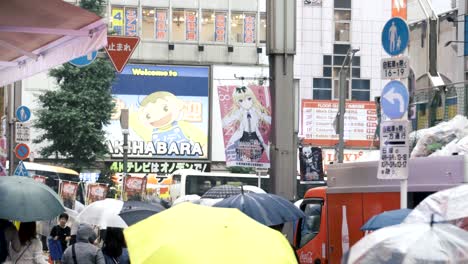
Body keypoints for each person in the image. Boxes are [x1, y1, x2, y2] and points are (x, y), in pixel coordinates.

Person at [222, 86, 271, 162]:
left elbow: (267, 118)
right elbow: (225, 121)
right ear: (237, 102)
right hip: (243, 137)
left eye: (249, 99)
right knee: (243, 156)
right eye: (241, 100)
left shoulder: (256, 111)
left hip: (256, 137)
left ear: (253, 98)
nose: (246, 103)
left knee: (258, 154)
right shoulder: (239, 112)